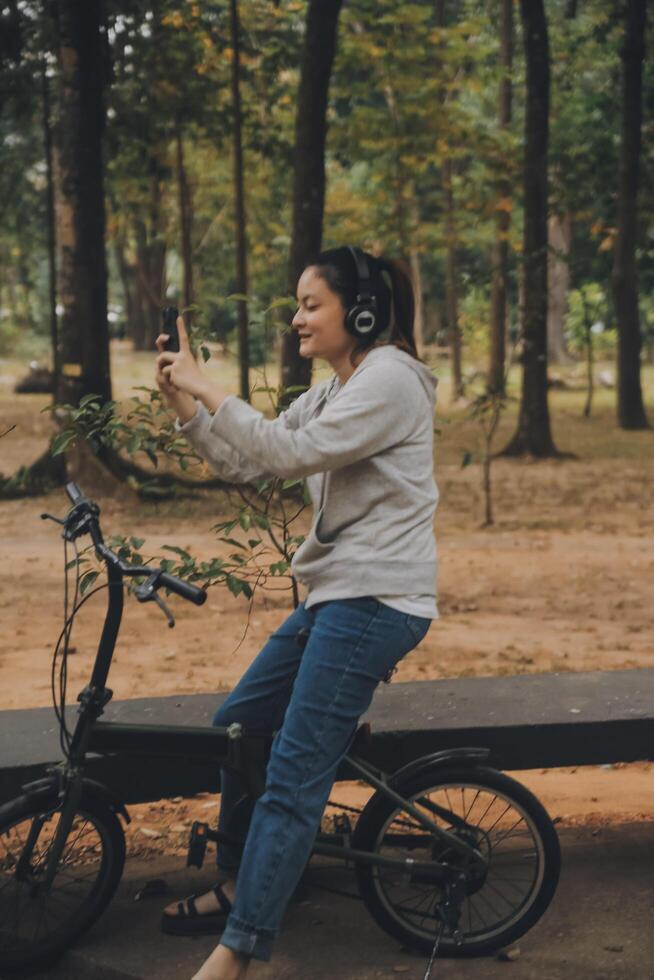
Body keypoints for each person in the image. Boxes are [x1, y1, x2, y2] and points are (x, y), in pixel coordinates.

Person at [154, 246, 439, 980]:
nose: (296, 318)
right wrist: (186, 404)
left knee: (292, 776)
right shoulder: (337, 386)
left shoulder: (391, 382)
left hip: (375, 600)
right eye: (298, 305)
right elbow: (252, 461)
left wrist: (212, 387)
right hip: (337, 595)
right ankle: (242, 882)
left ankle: (243, 951)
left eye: (311, 305)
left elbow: (289, 452)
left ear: (362, 310)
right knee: (238, 727)